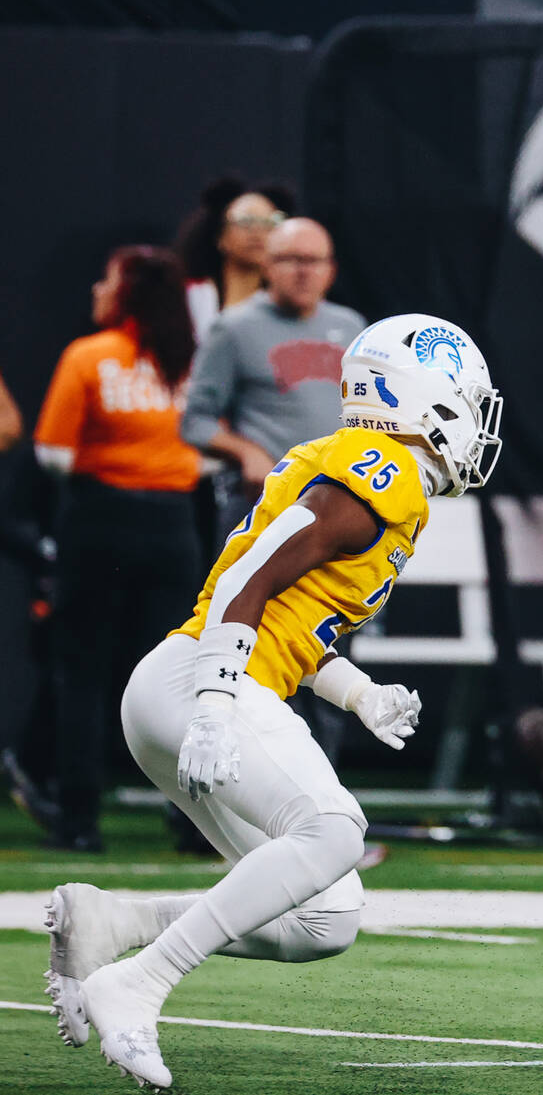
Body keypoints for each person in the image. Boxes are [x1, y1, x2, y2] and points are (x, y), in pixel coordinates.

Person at [45, 314, 503, 1089]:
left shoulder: (381, 479)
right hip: (200, 681)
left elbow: (289, 618)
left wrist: (357, 692)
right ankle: (140, 981)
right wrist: (218, 701)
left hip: (193, 682)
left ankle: (115, 923)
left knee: (327, 916)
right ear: (430, 400)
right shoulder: (379, 466)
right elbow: (244, 578)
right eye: (469, 401)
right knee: (333, 831)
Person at [34, 247, 202, 851]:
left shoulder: (88, 355)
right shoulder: (190, 360)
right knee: (177, 679)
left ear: (126, 293)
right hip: (173, 523)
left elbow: (52, 454)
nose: (96, 290)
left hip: (97, 518)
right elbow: (206, 449)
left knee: (82, 674)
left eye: (106, 280)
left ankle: (79, 823)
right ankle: (193, 826)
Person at [181, 216, 366, 537]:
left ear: (331, 270)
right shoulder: (233, 328)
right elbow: (194, 422)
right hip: (264, 505)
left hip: (341, 502)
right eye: (291, 259)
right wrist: (246, 452)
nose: (303, 271)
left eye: (314, 261)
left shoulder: (352, 326)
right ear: (266, 266)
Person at [173, 177, 294, 342]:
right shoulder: (187, 299)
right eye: (246, 221)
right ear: (220, 236)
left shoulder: (292, 303)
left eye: (270, 222)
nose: (257, 231)